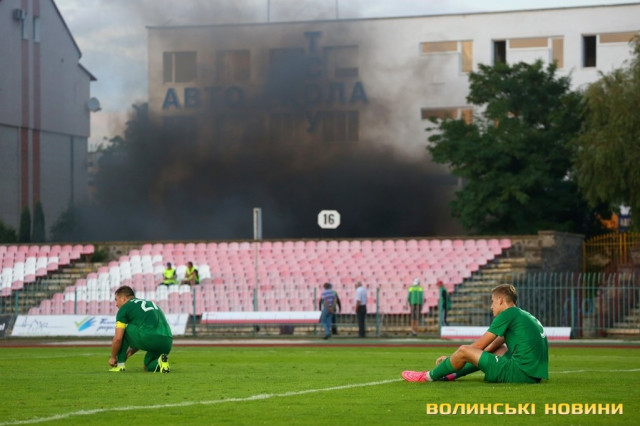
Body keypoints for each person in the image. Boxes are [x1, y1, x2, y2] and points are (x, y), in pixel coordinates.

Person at [401, 284, 548, 384]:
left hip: (519, 373)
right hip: (533, 374)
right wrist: (455, 360)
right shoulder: (523, 315)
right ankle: (451, 374)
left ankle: (427, 377)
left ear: (500, 300)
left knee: (464, 350)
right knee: (498, 349)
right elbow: (492, 345)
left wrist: (454, 358)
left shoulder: (506, 314)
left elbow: (477, 346)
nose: (491, 307)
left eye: (492, 301)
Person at [108, 285, 173, 373]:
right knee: (148, 365)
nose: (116, 304)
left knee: (123, 330)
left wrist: (113, 357)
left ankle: (120, 366)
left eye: (116, 300)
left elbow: (118, 338)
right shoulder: (149, 303)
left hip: (148, 337)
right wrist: (126, 355)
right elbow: (137, 339)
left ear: (123, 298)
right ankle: (160, 361)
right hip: (167, 341)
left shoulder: (124, 308)